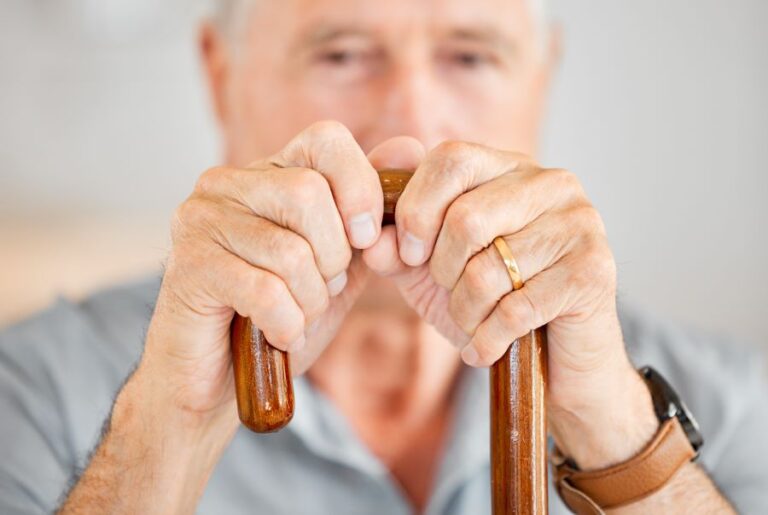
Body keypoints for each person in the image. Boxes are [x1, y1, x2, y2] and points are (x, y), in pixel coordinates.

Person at [1, 0, 766, 513]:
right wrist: (167, 430)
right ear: (219, 74)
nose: (410, 120)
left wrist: (621, 442)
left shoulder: (737, 403)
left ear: (542, 78)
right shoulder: (30, 393)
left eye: (470, 57)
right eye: (340, 53)